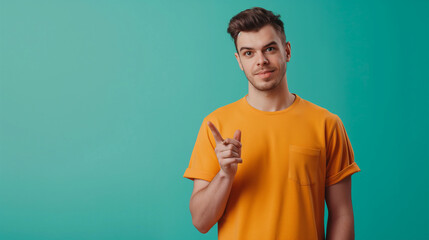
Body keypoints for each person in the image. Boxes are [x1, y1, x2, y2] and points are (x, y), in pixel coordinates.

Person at [183, 7, 361, 240]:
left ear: (286, 51)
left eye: (269, 48)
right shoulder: (215, 125)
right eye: (249, 53)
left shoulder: (327, 124)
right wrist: (225, 175)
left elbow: (341, 214)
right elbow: (201, 222)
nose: (261, 61)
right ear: (239, 61)